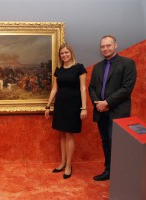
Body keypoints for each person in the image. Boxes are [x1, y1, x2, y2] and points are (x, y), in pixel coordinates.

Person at [89, 35, 137, 181]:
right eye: (102, 46)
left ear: (115, 45)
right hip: (101, 112)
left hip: (118, 112)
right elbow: (91, 88)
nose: (105, 49)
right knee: (106, 142)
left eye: (108, 45)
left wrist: (107, 102)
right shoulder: (97, 67)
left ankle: (121, 174)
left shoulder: (127, 63)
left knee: (117, 144)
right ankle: (109, 171)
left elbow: (127, 88)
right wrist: (98, 103)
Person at [45, 43, 87, 179]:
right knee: (62, 134)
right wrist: (47, 106)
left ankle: (69, 165)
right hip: (61, 105)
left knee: (69, 135)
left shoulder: (79, 68)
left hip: (74, 105)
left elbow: (83, 88)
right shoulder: (58, 70)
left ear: (71, 53)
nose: (64, 55)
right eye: (62, 53)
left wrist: (84, 108)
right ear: (60, 56)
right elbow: (54, 89)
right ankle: (62, 162)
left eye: (66, 52)